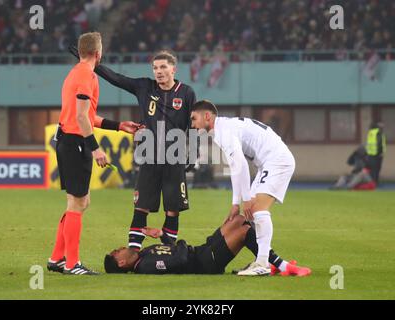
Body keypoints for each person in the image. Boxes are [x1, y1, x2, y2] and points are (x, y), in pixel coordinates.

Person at [69, 47, 197, 252]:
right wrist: (89, 61)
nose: (159, 71)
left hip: (175, 157)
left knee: (173, 209)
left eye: (163, 67)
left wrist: (194, 151)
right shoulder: (144, 87)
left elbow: (194, 125)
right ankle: (132, 252)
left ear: (174, 69)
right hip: (149, 156)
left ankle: (170, 252)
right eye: (155, 67)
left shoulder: (187, 93)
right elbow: (116, 78)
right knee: (141, 206)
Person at [47, 32, 141, 276]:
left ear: (81, 52)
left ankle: (58, 258)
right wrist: (95, 148)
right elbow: (80, 117)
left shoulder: (77, 73)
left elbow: (87, 116)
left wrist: (119, 125)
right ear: (99, 54)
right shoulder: (86, 76)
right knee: (77, 203)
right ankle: (72, 264)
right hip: (75, 143)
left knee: (80, 202)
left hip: (69, 141)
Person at [190, 100, 296, 276]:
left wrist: (246, 199)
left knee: (258, 210)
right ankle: (271, 263)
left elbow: (241, 166)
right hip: (268, 163)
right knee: (251, 216)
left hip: (277, 161)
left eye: (194, 119)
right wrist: (235, 203)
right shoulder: (223, 129)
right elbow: (235, 168)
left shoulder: (224, 131)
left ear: (207, 116)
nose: (192, 125)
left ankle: (262, 264)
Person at [104, 214, 311, 276]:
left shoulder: (143, 255)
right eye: (117, 252)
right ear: (122, 263)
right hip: (206, 263)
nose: (121, 247)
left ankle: (268, 263)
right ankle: (283, 266)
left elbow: (171, 251)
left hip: (203, 251)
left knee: (239, 219)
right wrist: (182, 243)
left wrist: (161, 236)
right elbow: (179, 259)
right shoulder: (146, 267)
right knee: (244, 231)